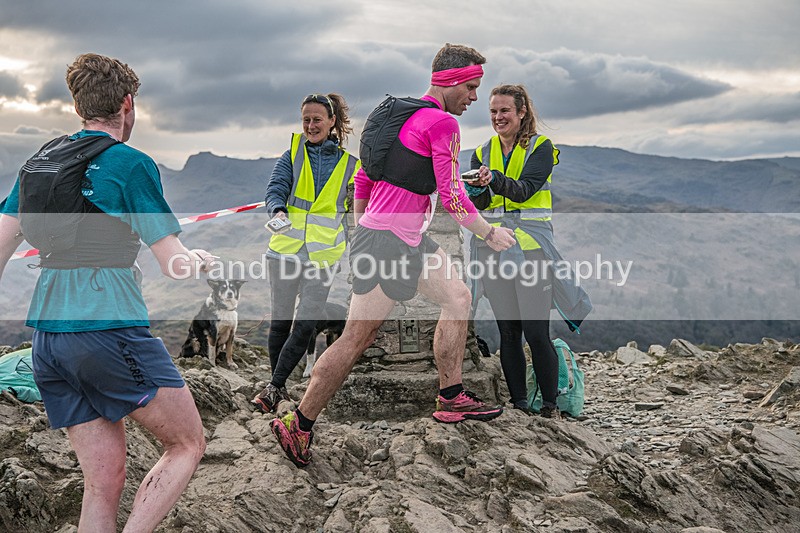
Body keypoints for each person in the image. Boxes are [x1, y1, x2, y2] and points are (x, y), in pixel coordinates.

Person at [270, 43, 517, 468]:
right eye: (473, 88)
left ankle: (451, 395)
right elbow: (455, 199)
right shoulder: (443, 125)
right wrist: (490, 231)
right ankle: (299, 423)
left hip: (396, 238)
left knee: (457, 296)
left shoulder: (394, 116)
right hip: (389, 242)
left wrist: (369, 224)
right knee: (357, 338)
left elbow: (367, 175)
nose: (475, 98)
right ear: (454, 81)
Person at [0, 53, 213, 531]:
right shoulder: (130, 164)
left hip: (49, 341)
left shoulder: (38, 164)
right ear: (127, 103)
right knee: (187, 443)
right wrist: (199, 260)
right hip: (107, 329)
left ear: (78, 106)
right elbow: (173, 264)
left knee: (102, 483)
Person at [466, 84, 591, 418]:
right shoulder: (482, 151)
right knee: (508, 331)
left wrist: (492, 178)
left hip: (532, 250)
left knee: (536, 332)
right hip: (493, 248)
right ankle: (520, 405)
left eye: (505, 110)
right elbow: (479, 205)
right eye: (493, 111)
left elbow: (523, 192)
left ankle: (549, 406)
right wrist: (477, 188)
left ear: (522, 112)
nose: (497, 117)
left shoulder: (541, 147)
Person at [252, 93, 360, 414]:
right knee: (280, 323)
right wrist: (278, 209)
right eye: (306, 120)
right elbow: (275, 189)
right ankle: (278, 386)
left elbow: (354, 217)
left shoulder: (351, 167)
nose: (311, 125)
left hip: (322, 257)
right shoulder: (291, 155)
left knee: (305, 324)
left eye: (317, 119)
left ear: (331, 122)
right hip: (284, 251)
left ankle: (274, 386)